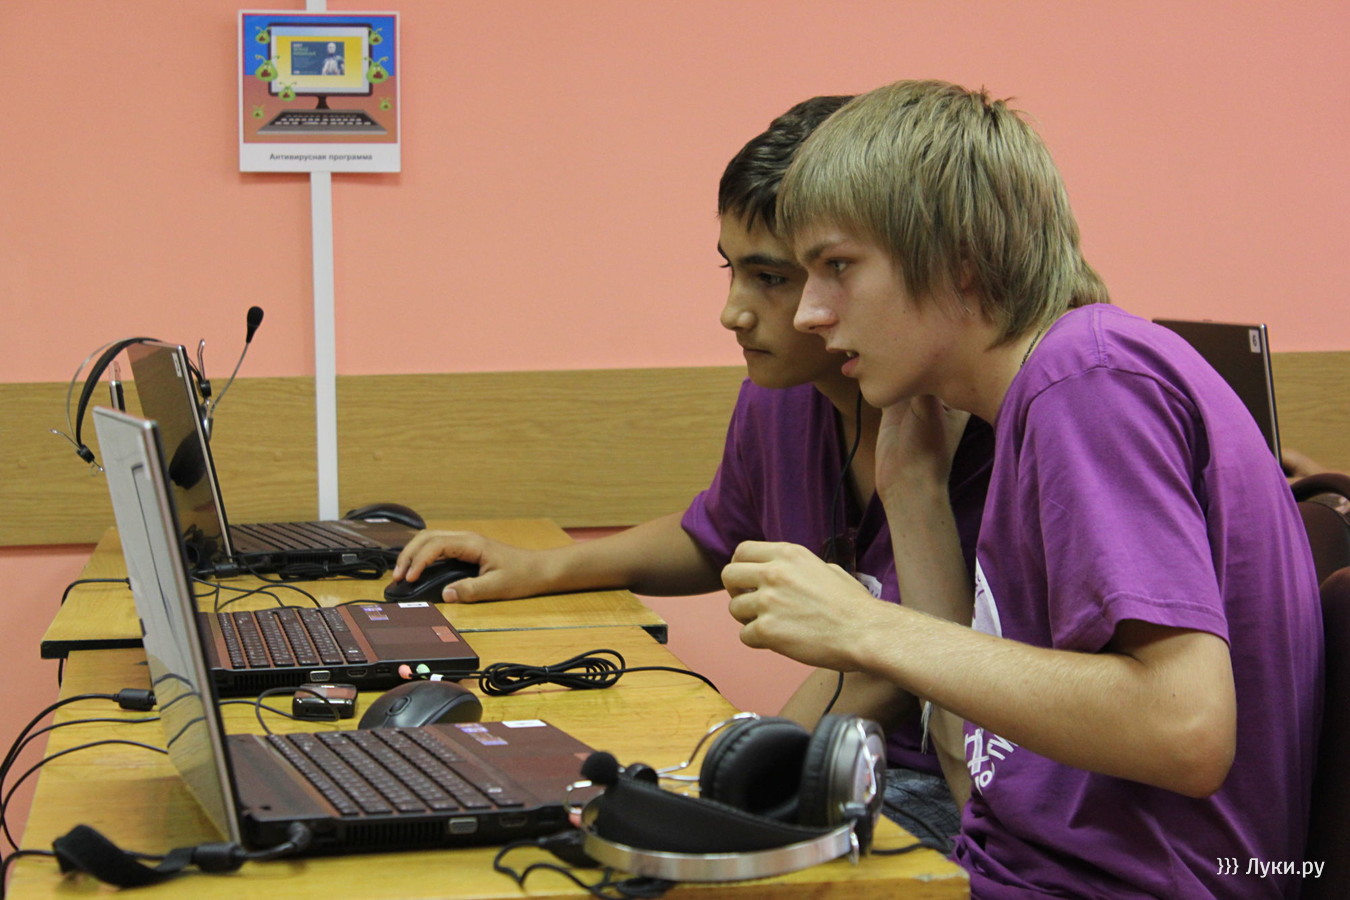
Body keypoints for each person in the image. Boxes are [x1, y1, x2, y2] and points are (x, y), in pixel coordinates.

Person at [723, 78, 1323, 898]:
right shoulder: (1029, 402)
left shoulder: (1086, 377)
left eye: (838, 267)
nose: (810, 315)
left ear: (961, 264)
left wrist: (865, 626)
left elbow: (1185, 727)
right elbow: (979, 779)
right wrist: (914, 495)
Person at [393, 95, 994, 850]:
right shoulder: (781, 399)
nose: (733, 312)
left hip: (943, 779)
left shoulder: (977, 429)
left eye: (770, 277)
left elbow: (895, 659)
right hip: (843, 755)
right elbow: (714, 535)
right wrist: (541, 567)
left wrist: (728, 787)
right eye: (731, 270)